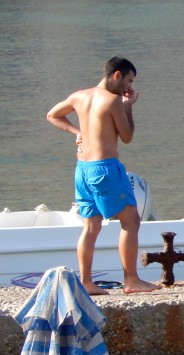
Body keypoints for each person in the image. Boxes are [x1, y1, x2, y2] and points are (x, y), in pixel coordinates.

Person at [47, 56, 160, 295]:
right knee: (131, 221)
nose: (129, 86)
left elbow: (53, 115)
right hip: (105, 168)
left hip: (83, 169)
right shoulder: (113, 100)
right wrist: (128, 106)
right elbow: (127, 136)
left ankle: (86, 282)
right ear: (117, 75)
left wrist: (77, 132)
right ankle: (131, 280)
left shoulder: (79, 96)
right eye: (129, 80)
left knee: (91, 226)